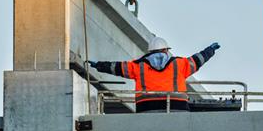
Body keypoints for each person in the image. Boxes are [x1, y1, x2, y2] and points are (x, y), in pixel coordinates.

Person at [88, 37, 220, 112]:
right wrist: (211, 50)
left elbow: (115, 67)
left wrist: (98, 65)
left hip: (146, 107)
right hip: (176, 106)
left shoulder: (138, 66)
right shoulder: (179, 64)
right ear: (165, 50)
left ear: (150, 51)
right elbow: (199, 59)